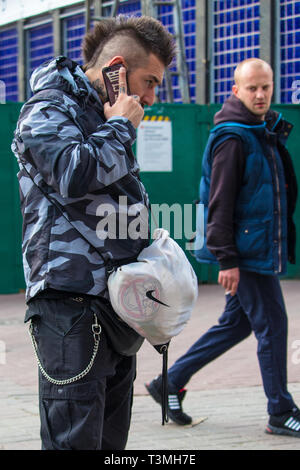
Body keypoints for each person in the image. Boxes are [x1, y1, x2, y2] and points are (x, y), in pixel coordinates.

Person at [11, 15, 175, 450]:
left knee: (109, 443)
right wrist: (120, 125)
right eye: (149, 82)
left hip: (117, 307)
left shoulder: (101, 114)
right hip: (70, 308)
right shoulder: (47, 109)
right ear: (116, 70)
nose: (151, 97)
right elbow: (72, 173)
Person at [146, 58, 300, 438]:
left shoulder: (258, 130)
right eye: (252, 88)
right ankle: (280, 411)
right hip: (244, 253)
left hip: (252, 247)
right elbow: (219, 203)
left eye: (266, 86)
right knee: (273, 325)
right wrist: (227, 260)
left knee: (237, 323)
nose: (261, 94)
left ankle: (170, 381)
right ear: (236, 91)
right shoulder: (233, 138)